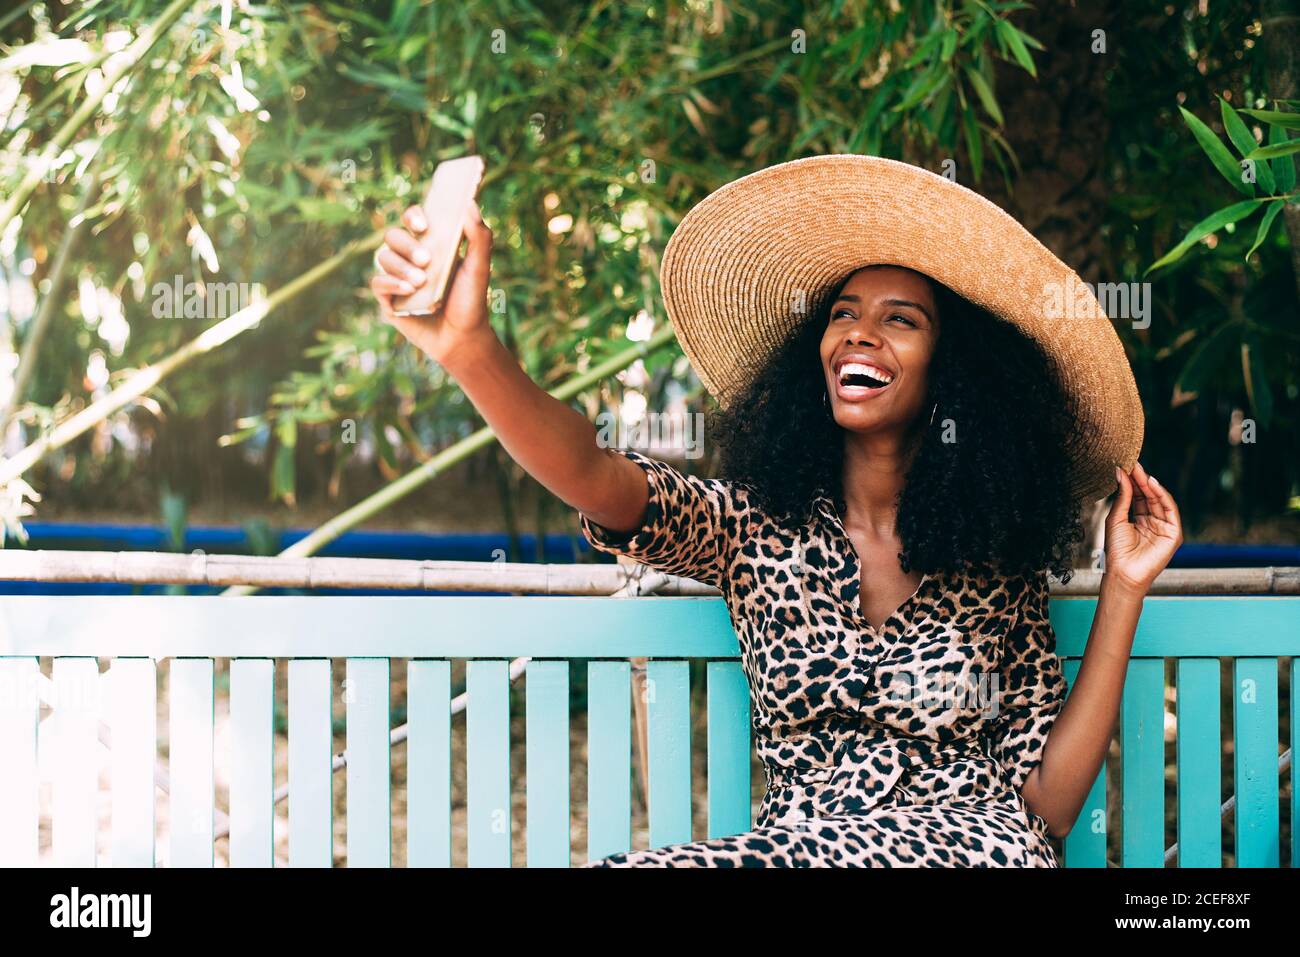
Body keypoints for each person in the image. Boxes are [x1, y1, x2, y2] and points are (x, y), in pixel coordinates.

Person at [371, 154, 1183, 867]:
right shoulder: (752, 531)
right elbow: (593, 472)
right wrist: (470, 350)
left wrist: (1123, 587)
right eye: (842, 314)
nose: (860, 335)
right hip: (797, 851)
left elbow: (1043, 805)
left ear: (955, 375)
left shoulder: (993, 560)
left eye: (900, 320)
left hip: (976, 849)